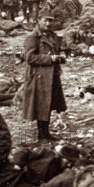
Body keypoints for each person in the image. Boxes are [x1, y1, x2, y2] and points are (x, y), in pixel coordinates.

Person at [23, 10, 67, 142]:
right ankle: (42, 134)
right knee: (41, 104)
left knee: (48, 104)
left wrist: (62, 56)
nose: (48, 23)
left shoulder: (52, 35)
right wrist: (50, 58)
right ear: (39, 20)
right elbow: (30, 58)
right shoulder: (32, 37)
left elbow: (58, 50)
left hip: (51, 75)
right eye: (45, 20)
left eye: (50, 21)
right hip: (39, 77)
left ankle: (45, 131)